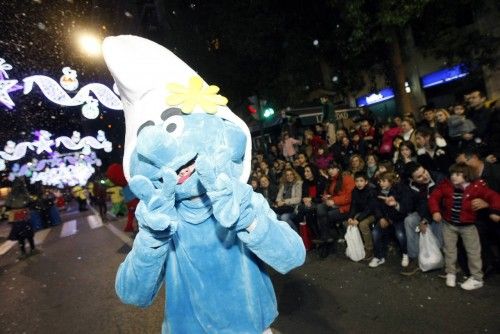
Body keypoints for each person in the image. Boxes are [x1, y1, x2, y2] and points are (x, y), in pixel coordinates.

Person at [104, 35, 305, 333]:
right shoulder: (163, 215)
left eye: (172, 123)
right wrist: (152, 238)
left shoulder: (240, 197)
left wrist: (246, 218)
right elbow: (132, 293)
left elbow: (293, 255)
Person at [428, 163, 500, 290]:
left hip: (468, 226)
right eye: (452, 174)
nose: (453, 177)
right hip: (449, 224)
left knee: (473, 252)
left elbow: (494, 196)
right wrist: (435, 211)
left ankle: (477, 278)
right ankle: (451, 272)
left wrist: (494, 211)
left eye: (457, 174)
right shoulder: (446, 185)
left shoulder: (477, 187)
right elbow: (434, 197)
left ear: (467, 175)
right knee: (449, 249)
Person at [401, 162, 445, 276]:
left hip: (440, 211)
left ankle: (439, 255)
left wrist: (425, 219)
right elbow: (416, 205)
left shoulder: (439, 178)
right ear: (412, 179)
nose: (425, 176)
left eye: (424, 171)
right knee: (409, 220)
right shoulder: (410, 185)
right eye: (419, 176)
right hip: (423, 211)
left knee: (437, 218)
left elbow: (439, 203)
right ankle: (415, 258)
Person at [369, 171, 411, 268]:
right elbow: (376, 207)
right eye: (380, 181)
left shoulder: (399, 190)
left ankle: (405, 254)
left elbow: (405, 208)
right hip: (385, 218)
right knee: (375, 232)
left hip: (398, 218)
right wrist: (381, 218)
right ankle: (379, 256)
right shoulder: (377, 191)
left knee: (400, 234)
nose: (381, 183)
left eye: (384, 181)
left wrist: (395, 204)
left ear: (391, 182)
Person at [315, 163, 355, 249]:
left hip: (347, 207)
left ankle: (327, 237)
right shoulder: (331, 180)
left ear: (338, 169)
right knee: (320, 207)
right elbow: (327, 193)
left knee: (327, 215)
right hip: (335, 205)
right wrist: (325, 197)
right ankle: (327, 237)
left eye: (333, 168)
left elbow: (349, 197)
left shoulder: (347, 178)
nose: (330, 171)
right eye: (329, 169)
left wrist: (334, 200)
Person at [6, 178, 39, 259]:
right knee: (28, 233)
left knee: (20, 234)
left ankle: (23, 252)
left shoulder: (11, 194)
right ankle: (32, 249)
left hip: (16, 215)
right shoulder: (23, 192)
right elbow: (29, 201)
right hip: (24, 214)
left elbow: (8, 204)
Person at [347, 172, 376, 260]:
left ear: (366, 182)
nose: (359, 183)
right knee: (349, 223)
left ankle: (369, 249)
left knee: (363, 224)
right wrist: (350, 217)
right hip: (362, 213)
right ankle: (358, 245)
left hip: (373, 214)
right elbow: (353, 205)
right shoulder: (355, 191)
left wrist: (358, 219)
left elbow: (370, 208)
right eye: (357, 181)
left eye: (361, 181)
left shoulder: (371, 191)